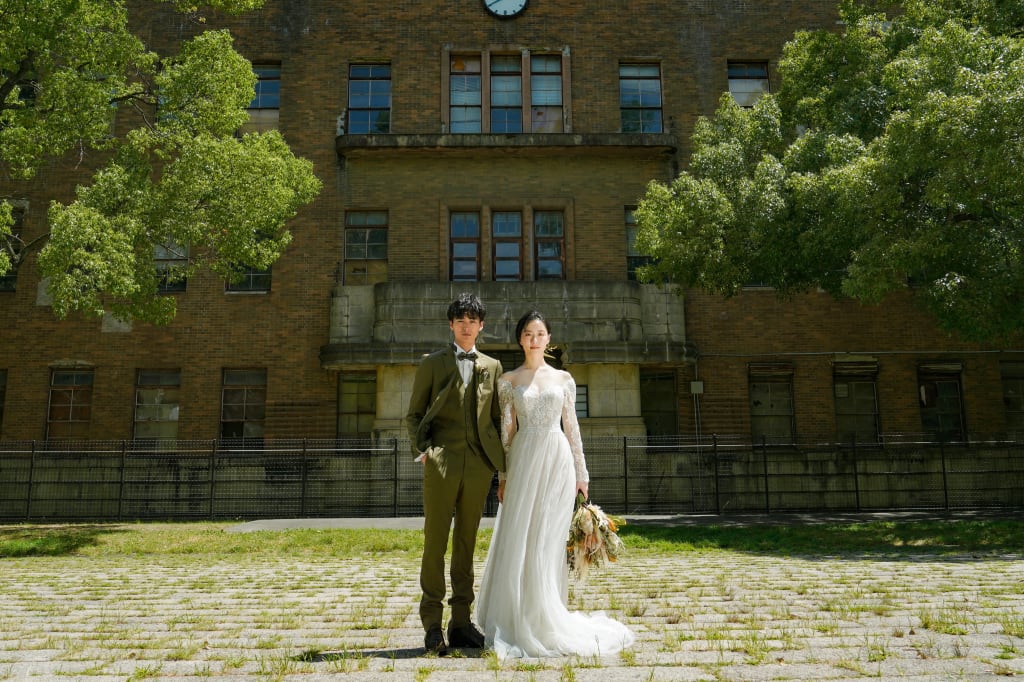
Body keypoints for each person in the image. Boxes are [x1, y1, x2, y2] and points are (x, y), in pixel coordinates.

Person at [475, 310, 635, 659]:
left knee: (548, 539)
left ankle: (546, 612)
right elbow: (507, 433)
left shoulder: (563, 379)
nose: (535, 339)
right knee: (520, 534)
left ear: (549, 339)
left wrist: (582, 473)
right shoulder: (510, 381)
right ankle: (517, 614)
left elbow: (572, 426)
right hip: (523, 459)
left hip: (557, 458)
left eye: (541, 333)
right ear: (520, 339)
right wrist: (503, 476)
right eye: (529, 333)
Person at [405, 292, 506, 656]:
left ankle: (461, 622)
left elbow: (495, 419)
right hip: (442, 460)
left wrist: (501, 466)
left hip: (479, 465)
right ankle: (432, 625)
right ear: (451, 324)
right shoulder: (432, 363)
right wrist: (424, 450)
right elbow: (414, 414)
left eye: (472, 320)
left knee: (466, 543)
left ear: (481, 325)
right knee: (435, 542)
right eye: (460, 320)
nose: (466, 326)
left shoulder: (493, 366)